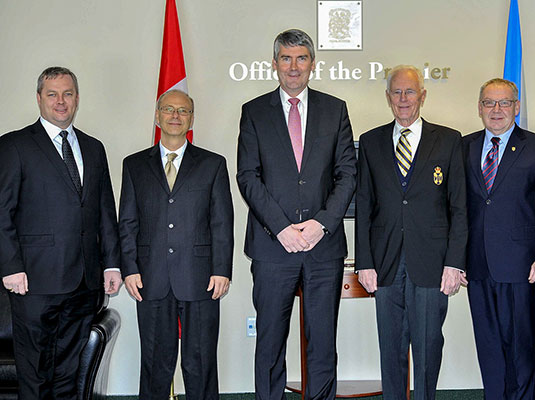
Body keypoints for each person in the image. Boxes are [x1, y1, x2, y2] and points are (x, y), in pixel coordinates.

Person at [236, 29, 356, 400]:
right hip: (274, 248)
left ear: (312, 65)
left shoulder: (334, 109)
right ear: (274, 64)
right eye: (285, 59)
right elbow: (248, 176)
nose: (293, 66)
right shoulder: (254, 112)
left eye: (301, 58)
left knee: (322, 341)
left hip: (324, 248)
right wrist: (281, 228)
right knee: (270, 340)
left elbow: (347, 173)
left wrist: (322, 223)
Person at [0, 66, 121, 399]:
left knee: (68, 375)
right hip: (34, 281)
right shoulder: (14, 146)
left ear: (77, 98)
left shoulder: (94, 148)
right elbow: (2, 211)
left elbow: (104, 212)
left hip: (83, 283)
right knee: (36, 374)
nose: (61, 101)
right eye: (52, 94)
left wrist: (112, 264)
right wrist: (10, 266)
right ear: (39, 98)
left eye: (68, 94)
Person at [355, 65, 467, 400]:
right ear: (388, 97)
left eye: (410, 92)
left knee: (428, 346)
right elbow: (364, 206)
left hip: (433, 264)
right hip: (385, 263)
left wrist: (455, 263)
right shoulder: (371, 141)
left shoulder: (448, 140)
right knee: (390, 349)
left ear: (423, 95)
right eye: (397, 92)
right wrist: (365, 262)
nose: (404, 99)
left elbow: (459, 208)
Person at [119, 89, 233, 400]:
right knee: (156, 362)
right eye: (168, 110)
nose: (175, 116)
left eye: (182, 111)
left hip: (201, 277)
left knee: (201, 363)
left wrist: (222, 270)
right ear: (157, 116)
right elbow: (127, 222)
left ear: (191, 119)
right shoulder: (134, 165)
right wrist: (129, 268)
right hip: (150, 276)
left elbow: (221, 222)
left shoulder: (212, 164)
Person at [462, 78, 535, 399]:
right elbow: (457, 209)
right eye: (489, 102)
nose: (496, 109)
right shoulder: (464, 147)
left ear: (517, 107)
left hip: (522, 267)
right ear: (479, 108)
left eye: (504, 103)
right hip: (477, 267)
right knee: (488, 349)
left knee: (520, 349)